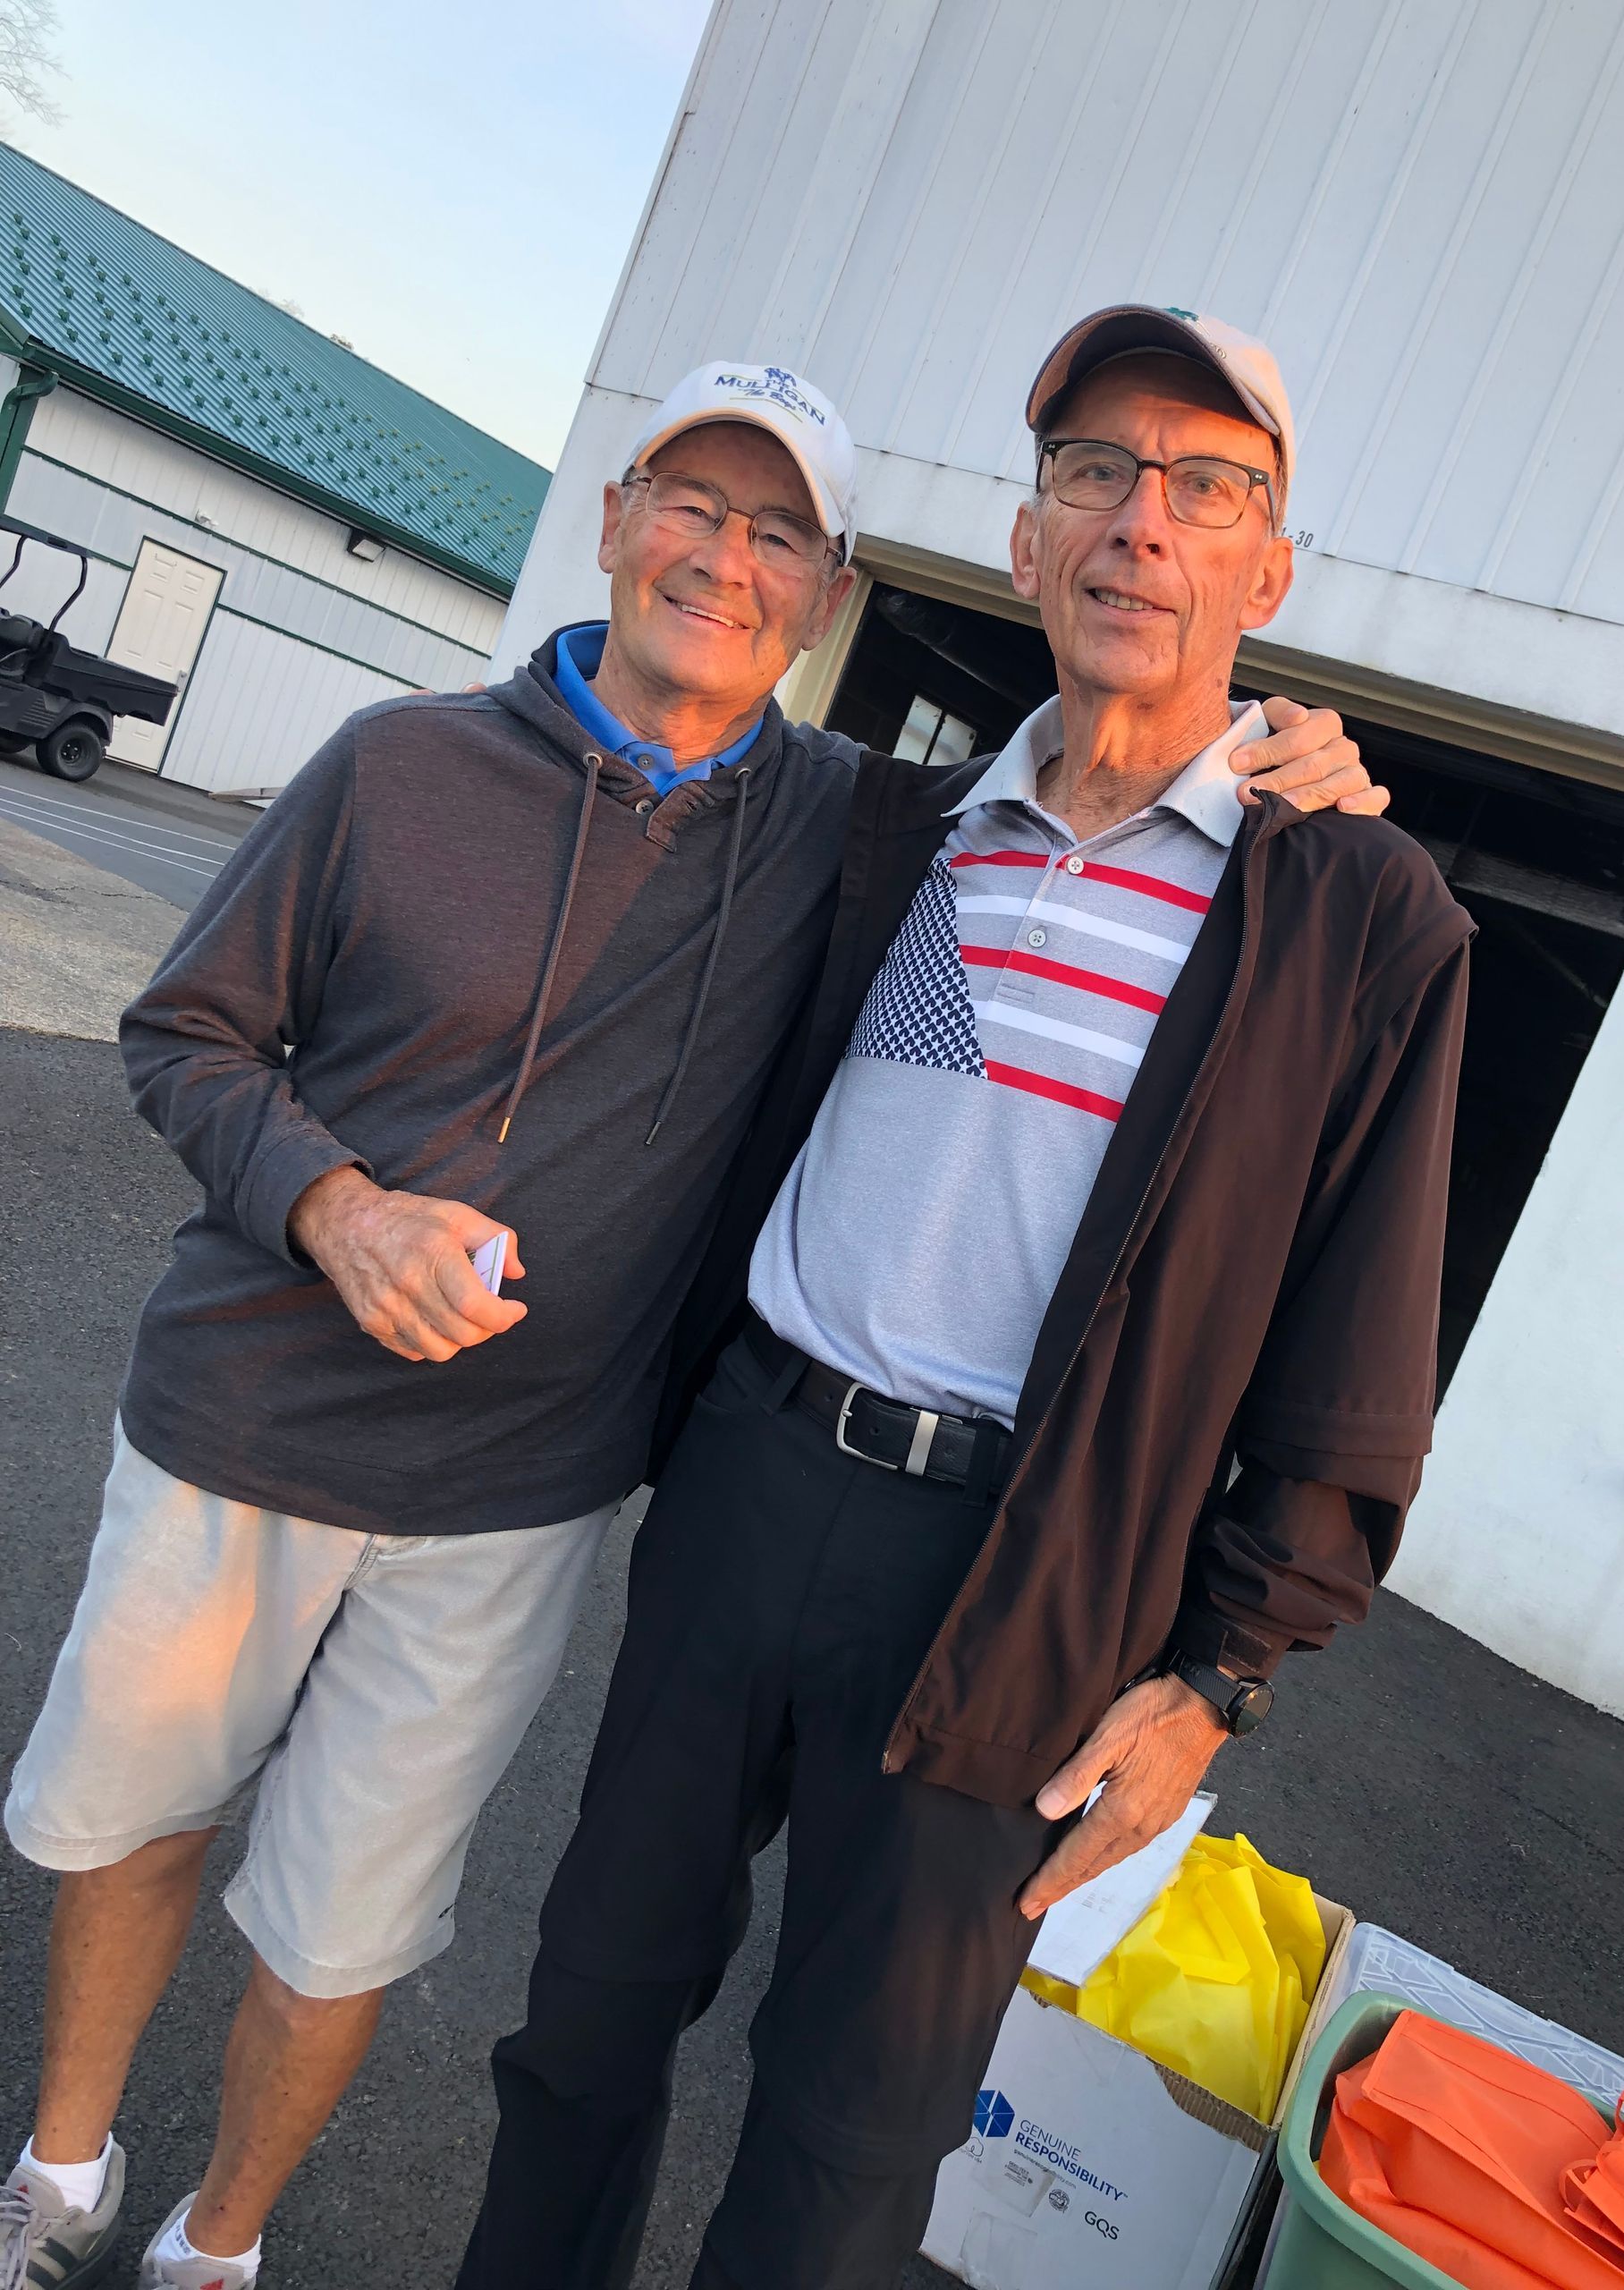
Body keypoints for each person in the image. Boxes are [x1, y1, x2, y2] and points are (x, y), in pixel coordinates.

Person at [0, 353, 1374, 2290]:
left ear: (825, 593)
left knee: (679, 2061)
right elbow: (187, 1029)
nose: (725, 561)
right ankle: (73, 2188)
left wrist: (1224, 1663)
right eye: (693, 505)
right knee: (413, 1944)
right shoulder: (573, 789)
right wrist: (336, 1201)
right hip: (503, 1448)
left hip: (765, 1531)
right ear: (619, 518)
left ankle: (212, 2245)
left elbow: (1349, 1322)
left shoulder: (1075, 862)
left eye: (780, 531)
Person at [457, 307, 1474, 2290]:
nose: (1140, 524)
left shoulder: (1353, 914)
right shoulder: (887, 832)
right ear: (1026, 543)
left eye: (1206, 486)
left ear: (1270, 570)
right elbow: (642, 731)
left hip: (1029, 1583)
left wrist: (1227, 1670)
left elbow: (1365, 1342)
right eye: (1094, 472)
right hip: (753, 1477)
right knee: (583, 2012)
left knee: (851, 2141)